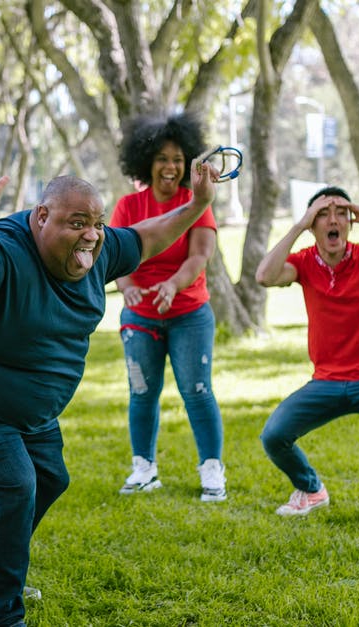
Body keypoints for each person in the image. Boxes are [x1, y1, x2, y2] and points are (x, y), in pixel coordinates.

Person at [0, 144, 218, 627]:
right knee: (13, 487)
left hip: (21, 402)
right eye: (77, 223)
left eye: (97, 223)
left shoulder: (97, 247)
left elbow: (147, 238)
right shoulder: (0, 251)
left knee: (49, 478)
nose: (91, 234)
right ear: (42, 216)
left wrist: (197, 205)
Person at [255, 186, 359, 533]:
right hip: (326, 381)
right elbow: (264, 276)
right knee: (274, 435)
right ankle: (311, 489)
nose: (332, 220)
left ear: (350, 222)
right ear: (312, 224)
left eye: (340, 213)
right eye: (322, 214)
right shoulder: (303, 263)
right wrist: (298, 226)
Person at [109, 112, 225, 501]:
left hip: (189, 314)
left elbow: (200, 256)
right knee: (142, 392)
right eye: (162, 159)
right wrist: (127, 287)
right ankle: (144, 468)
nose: (170, 167)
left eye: (178, 159)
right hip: (140, 317)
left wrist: (173, 284)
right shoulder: (128, 206)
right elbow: (117, 257)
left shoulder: (197, 203)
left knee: (197, 390)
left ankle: (212, 469)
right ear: (147, 162)